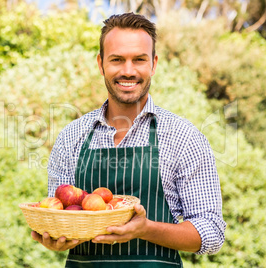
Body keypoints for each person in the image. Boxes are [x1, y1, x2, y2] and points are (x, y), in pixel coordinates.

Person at [31, 12, 226, 267]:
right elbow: (60, 215)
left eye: (139, 59)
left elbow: (212, 233)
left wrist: (146, 229)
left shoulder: (184, 137)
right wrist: (56, 237)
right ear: (101, 64)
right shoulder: (71, 137)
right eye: (117, 59)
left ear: (153, 64)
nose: (128, 71)